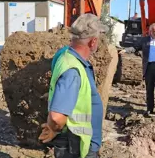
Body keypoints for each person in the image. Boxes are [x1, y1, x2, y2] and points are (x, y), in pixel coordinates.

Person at [38, 13, 109, 158]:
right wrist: (54, 128)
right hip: (75, 146)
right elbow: (57, 117)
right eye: (99, 39)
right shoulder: (73, 70)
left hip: (76, 143)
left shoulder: (65, 55)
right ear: (93, 41)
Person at [120, 23, 155, 118]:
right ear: (150, 31)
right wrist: (125, 50)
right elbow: (135, 47)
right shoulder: (144, 40)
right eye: (154, 31)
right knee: (149, 90)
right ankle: (149, 109)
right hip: (149, 68)